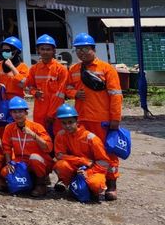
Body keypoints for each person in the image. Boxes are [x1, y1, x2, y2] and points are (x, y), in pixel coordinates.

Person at [65, 33, 123, 200]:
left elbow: (116, 95)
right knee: (85, 152)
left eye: (85, 49)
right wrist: (75, 93)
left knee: (108, 153)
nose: (81, 52)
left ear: (93, 49)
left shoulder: (106, 69)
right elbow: (67, 89)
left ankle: (111, 185)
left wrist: (115, 119)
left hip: (102, 120)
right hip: (81, 119)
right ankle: (88, 182)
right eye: (78, 49)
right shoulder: (74, 70)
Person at [52, 103, 112, 201]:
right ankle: (69, 183)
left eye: (70, 122)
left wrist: (88, 172)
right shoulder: (61, 135)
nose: (67, 126)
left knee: (96, 184)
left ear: (77, 121)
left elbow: (104, 162)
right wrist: (81, 160)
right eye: (64, 123)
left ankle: (90, 190)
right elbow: (59, 155)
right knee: (60, 165)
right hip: (75, 167)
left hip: (93, 170)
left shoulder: (91, 138)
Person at [1, 96, 52, 197]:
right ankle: (31, 180)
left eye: (20, 111)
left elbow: (48, 147)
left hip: (41, 160)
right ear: (11, 114)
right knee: (4, 172)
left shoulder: (37, 127)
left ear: (26, 113)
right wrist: (8, 162)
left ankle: (41, 184)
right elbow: (6, 147)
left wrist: (33, 135)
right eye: (14, 112)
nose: (17, 114)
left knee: (34, 158)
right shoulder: (9, 128)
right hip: (22, 160)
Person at [26, 34, 69, 137]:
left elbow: (61, 94)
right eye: (42, 49)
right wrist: (34, 92)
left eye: (48, 49)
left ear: (54, 51)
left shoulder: (61, 69)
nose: (45, 52)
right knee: (41, 136)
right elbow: (29, 86)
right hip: (39, 112)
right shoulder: (34, 69)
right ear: (38, 50)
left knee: (59, 136)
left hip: (56, 112)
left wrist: (51, 113)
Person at [0, 36, 30, 112]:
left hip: (16, 101)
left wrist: (12, 67)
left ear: (16, 51)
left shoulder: (23, 67)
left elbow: (23, 84)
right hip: (1, 100)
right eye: (3, 50)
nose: (4, 52)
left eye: (7, 50)